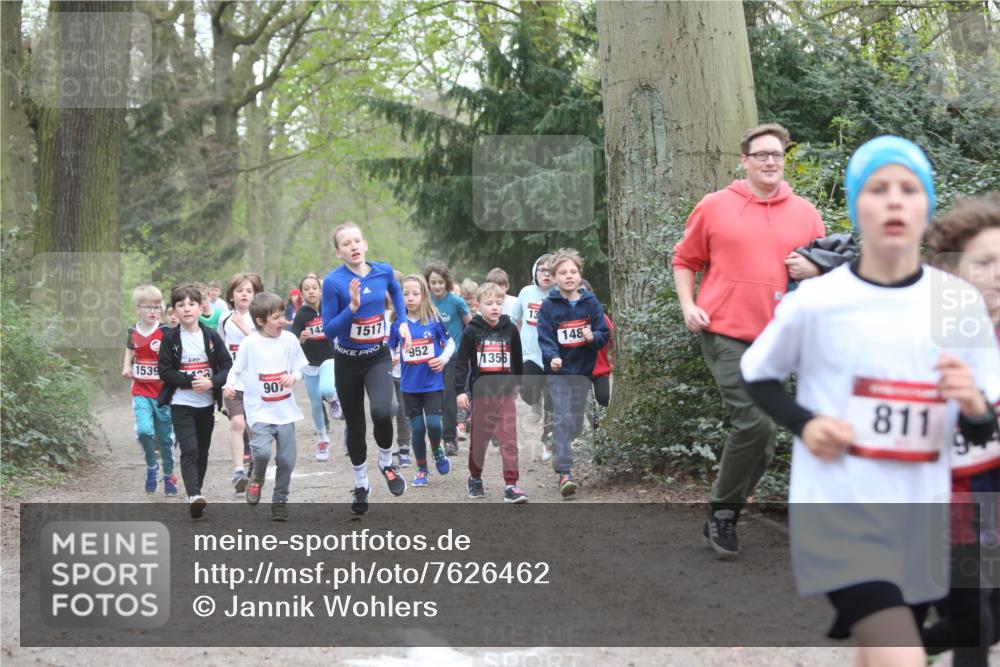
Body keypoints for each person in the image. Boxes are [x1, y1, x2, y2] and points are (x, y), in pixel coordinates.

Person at [740, 136, 1000, 665]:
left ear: (926, 206)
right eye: (877, 189)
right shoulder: (818, 301)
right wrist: (806, 423)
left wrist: (971, 402)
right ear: (857, 205)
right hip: (838, 511)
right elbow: (757, 374)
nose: (895, 200)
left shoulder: (956, 304)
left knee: (886, 649)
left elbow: (980, 427)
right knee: (900, 654)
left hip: (919, 519)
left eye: (909, 188)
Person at [671, 123, 826, 555]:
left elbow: (829, 267)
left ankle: (725, 510)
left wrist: (816, 270)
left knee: (766, 440)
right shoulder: (715, 206)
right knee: (754, 423)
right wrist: (688, 305)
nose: (771, 161)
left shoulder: (806, 212)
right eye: (762, 155)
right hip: (724, 333)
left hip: (779, 341)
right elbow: (685, 259)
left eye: (777, 154)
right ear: (745, 161)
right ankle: (723, 514)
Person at [922, 193, 1000, 666]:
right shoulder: (929, 337)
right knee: (977, 623)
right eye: (984, 262)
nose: (997, 273)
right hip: (951, 501)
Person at [323, 222, 411, 515]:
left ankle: (386, 462)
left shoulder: (383, 270)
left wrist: (402, 323)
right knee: (356, 426)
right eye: (346, 244)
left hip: (377, 356)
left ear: (366, 244)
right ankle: (361, 483)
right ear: (338, 252)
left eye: (357, 240)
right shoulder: (334, 283)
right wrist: (352, 307)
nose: (354, 246)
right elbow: (328, 330)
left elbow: (396, 292)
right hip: (347, 360)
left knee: (384, 410)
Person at [224, 292, 308, 522]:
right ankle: (257, 479)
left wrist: (293, 376)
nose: (282, 321)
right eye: (276, 318)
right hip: (259, 410)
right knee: (260, 452)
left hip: (285, 411)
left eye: (282, 316)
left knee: (287, 460)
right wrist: (229, 385)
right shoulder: (250, 343)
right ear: (260, 321)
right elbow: (237, 370)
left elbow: (300, 367)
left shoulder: (289, 340)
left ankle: (280, 500)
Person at [537, 249, 609, 499]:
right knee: (562, 417)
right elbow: (545, 337)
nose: (569, 276)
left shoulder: (590, 302)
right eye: (563, 273)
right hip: (559, 372)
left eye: (573, 272)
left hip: (583, 373)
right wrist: (552, 356)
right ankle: (565, 473)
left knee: (575, 423)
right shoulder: (549, 306)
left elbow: (604, 332)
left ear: (579, 275)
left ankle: (566, 444)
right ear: (554, 278)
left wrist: (594, 337)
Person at [157, 283, 232, 518]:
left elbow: (228, 365)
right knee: (189, 448)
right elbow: (165, 371)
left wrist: (212, 383)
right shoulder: (170, 339)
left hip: (206, 404)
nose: (186, 309)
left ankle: (195, 493)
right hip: (181, 402)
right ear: (174, 311)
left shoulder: (210, 337)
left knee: (202, 450)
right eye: (181, 305)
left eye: (191, 304)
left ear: (201, 308)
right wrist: (190, 380)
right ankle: (193, 495)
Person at [455, 282, 526, 503]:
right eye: (489, 303)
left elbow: (517, 358)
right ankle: (475, 477)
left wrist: (517, 382)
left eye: (498, 303)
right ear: (478, 305)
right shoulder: (472, 331)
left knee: (509, 439)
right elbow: (461, 363)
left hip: (505, 394)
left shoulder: (511, 329)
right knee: (480, 440)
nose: (495, 307)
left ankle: (511, 485)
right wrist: (460, 391)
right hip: (481, 394)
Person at [388, 274, 454, 487]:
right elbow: (390, 348)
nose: (410, 298)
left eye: (415, 293)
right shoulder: (399, 324)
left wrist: (442, 359)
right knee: (417, 429)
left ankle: (437, 448)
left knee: (434, 425)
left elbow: (450, 344)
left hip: (432, 384)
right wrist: (393, 357)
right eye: (405, 294)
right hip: (409, 386)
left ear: (424, 295)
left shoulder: (434, 321)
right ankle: (422, 469)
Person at [122, 285, 176, 496]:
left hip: (162, 393)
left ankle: (169, 475)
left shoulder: (165, 331)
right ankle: (152, 467)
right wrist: (127, 366)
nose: (154, 311)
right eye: (148, 307)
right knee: (145, 431)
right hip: (141, 390)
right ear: (138, 309)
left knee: (166, 439)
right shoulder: (133, 331)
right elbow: (130, 349)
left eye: (157, 306)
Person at [218, 272, 263, 490]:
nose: (244, 294)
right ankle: (237, 473)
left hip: (256, 382)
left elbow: (264, 348)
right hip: (233, 381)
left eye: (249, 290)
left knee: (254, 429)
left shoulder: (260, 318)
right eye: (239, 290)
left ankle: (256, 464)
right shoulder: (224, 318)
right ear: (231, 295)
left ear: (256, 295)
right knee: (237, 423)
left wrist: (246, 330)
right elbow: (220, 346)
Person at [291, 273, 340, 462]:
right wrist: (300, 339)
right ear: (302, 293)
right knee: (316, 404)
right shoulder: (301, 315)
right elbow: (293, 339)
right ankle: (322, 439)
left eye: (314, 288)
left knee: (326, 388)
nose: (311, 291)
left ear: (320, 290)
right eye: (307, 289)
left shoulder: (329, 308)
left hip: (330, 359)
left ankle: (334, 398)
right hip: (309, 364)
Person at [425, 262, 471, 456]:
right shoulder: (425, 302)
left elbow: (471, 325)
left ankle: (450, 440)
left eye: (440, 282)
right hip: (431, 358)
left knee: (449, 398)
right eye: (433, 282)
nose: (436, 286)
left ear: (447, 283)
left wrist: (468, 350)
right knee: (433, 399)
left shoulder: (456, 301)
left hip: (454, 357)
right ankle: (434, 437)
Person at [512, 254, 555, 457]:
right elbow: (513, 318)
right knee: (528, 392)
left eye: (550, 270)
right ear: (534, 273)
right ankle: (534, 400)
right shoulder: (526, 292)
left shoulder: (559, 294)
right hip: (530, 355)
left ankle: (547, 442)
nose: (546, 274)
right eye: (542, 270)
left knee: (552, 402)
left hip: (553, 356)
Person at [580, 278, 614, 425]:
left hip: (601, 368)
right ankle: (596, 430)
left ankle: (603, 428)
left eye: (584, 292)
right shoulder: (569, 319)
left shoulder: (601, 317)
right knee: (587, 404)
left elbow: (613, 340)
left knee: (603, 398)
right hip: (581, 370)